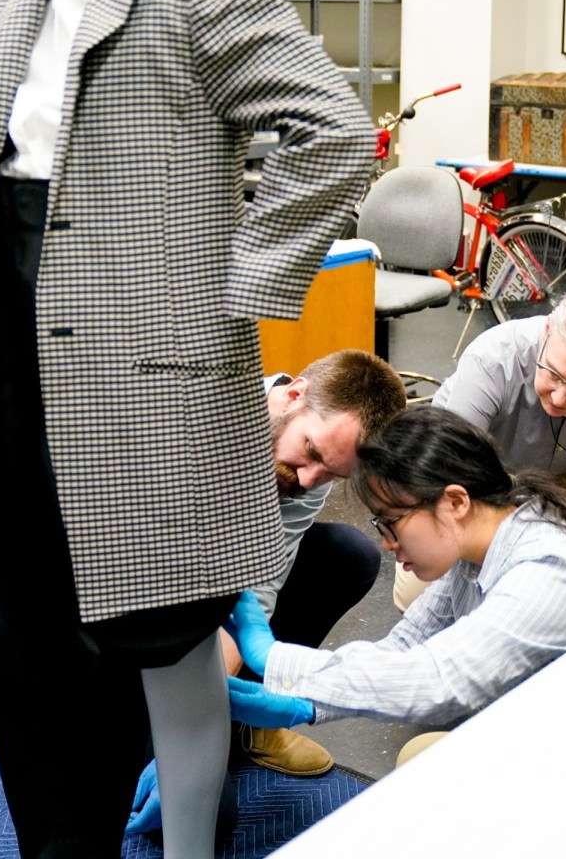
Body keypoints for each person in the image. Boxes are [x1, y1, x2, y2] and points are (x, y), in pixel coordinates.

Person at [0, 0, 375, 856]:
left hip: (146, 348)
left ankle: (187, 846)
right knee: (18, 626)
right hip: (8, 319)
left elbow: (334, 133)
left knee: (161, 626)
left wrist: (233, 290)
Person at [224, 407, 566, 752]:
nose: (388, 543)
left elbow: (434, 680)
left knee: (425, 762)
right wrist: (304, 705)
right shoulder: (483, 541)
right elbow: (404, 648)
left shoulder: (553, 572)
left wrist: (271, 656)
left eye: (391, 521)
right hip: (560, 718)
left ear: (454, 501)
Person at [126, 350, 406, 839]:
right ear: (294, 395)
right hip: (122, 610)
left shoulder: (309, 473)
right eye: (313, 453)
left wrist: (200, 707)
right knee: (183, 799)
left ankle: (246, 717)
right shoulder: (186, 422)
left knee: (350, 554)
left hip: (211, 605)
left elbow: (258, 589)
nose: (309, 480)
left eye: (333, 474)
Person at [390, 278, 566, 611]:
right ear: (548, 330)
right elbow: (447, 477)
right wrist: (512, 525)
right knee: (419, 596)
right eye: (553, 373)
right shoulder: (493, 359)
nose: (559, 397)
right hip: (476, 476)